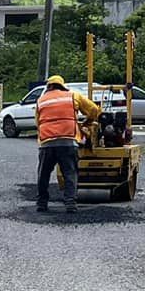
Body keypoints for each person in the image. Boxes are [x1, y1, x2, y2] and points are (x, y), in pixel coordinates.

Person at [34, 73, 102, 214]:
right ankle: (70, 204)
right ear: (62, 86)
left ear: (49, 86)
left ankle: (42, 204)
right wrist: (87, 122)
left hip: (47, 143)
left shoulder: (40, 100)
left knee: (43, 174)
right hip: (68, 142)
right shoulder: (72, 96)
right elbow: (94, 110)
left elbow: (38, 123)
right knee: (70, 173)